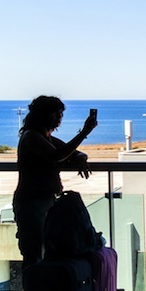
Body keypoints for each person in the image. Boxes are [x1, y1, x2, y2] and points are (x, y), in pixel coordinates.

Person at [13, 96, 97, 271]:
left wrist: (81, 157)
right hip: (33, 203)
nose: (60, 117)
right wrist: (84, 132)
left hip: (46, 202)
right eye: (56, 113)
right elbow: (57, 155)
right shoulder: (32, 137)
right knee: (34, 255)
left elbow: (72, 152)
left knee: (45, 253)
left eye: (61, 113)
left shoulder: (46, 138)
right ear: (43, 114)